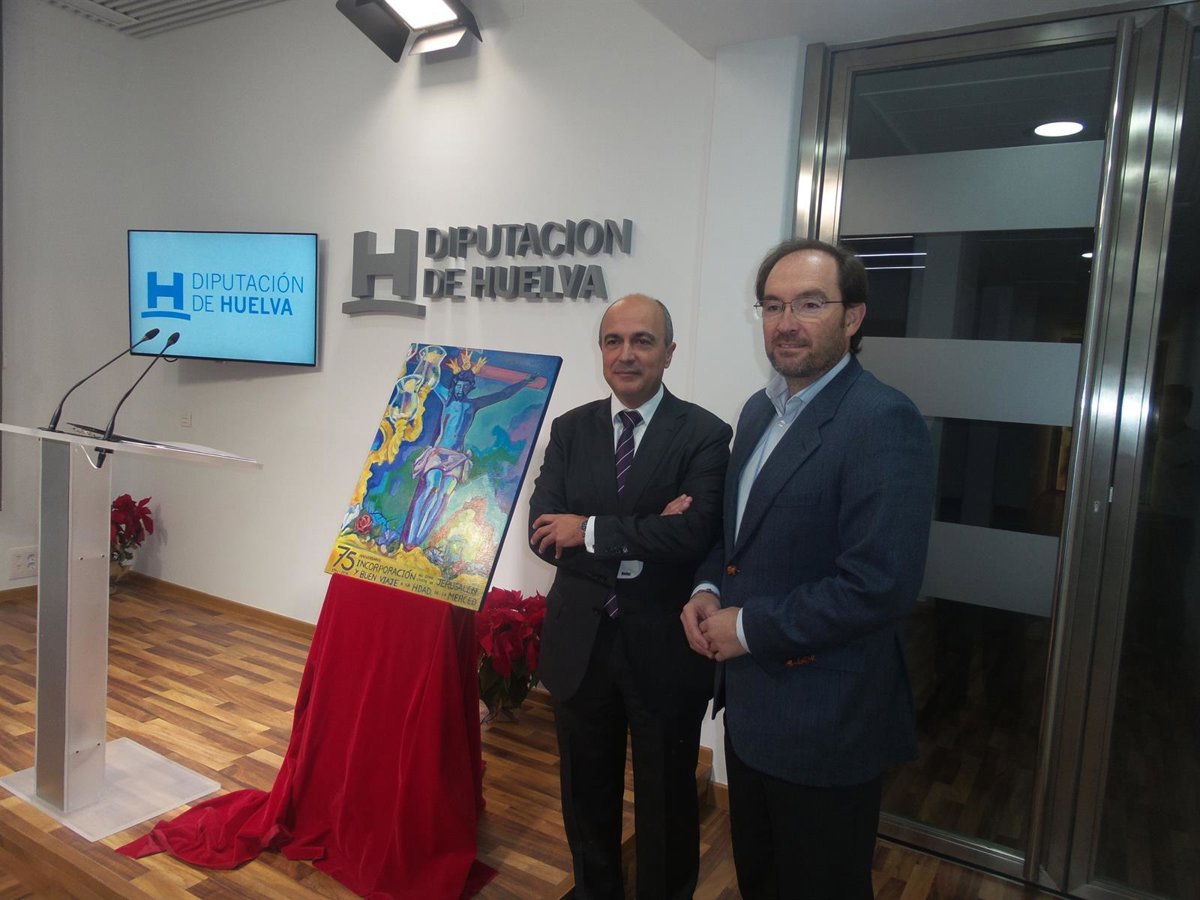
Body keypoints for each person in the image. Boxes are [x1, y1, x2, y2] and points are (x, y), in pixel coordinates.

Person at [681, 239, 934, 899]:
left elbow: (879, 585)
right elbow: (735, 538)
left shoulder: (882, 419)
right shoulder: (758, 411)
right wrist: (707, 588)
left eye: (809, 304)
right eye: (772, 305)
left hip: (827, 722)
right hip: (751, 714)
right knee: (760, 881)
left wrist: (749, 627)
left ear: (853, 317)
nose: (786, 322)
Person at [528, 294, 731, 899]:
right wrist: (650, 529)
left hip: (664, 649)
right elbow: (544, 534)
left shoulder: (705, 434)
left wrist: (588, 529)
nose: (626, 354)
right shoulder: (570, 429)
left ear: (669, 353)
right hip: (580, 645)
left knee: (667, 805)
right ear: (601, 351)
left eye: (643, 341)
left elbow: (695, 534)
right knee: (585, 800)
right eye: (613, 341)